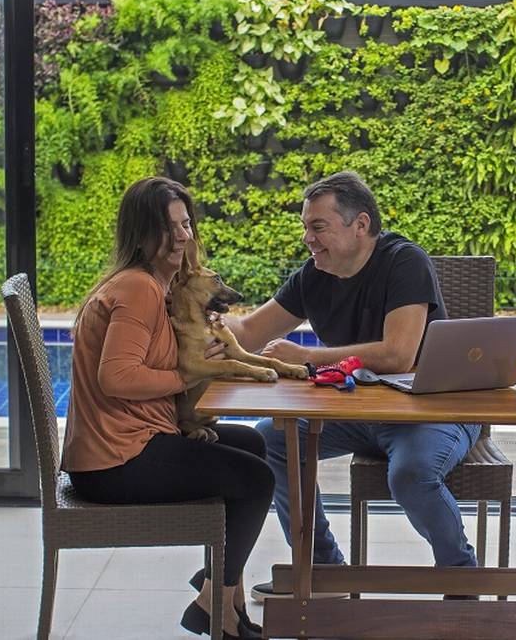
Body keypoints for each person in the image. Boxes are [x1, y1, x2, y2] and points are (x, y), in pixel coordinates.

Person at [217, 171, 481, 601]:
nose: (307, 238)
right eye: (305, 227)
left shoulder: (404, 261)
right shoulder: (313, 276)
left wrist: (306, 357)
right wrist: (191, 320)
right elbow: (246, 332)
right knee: (271, 440)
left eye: (317, 226)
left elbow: (400, 354)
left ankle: (462, 581)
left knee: (411, 475)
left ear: (360, 225)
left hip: (430, 413)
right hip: (362, 412)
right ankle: (322, 571)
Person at [61, 176, 267, 639]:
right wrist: (189, 376)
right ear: (140, 233)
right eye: (167, 227)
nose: (181, 236)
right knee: (256, 479)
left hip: (127, 446)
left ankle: (222, 592)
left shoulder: (159, 286)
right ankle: (218, 604)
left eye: (186, 224)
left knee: (253, 443)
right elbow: (116, 377)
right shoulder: (139, 289)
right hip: (115, 461)